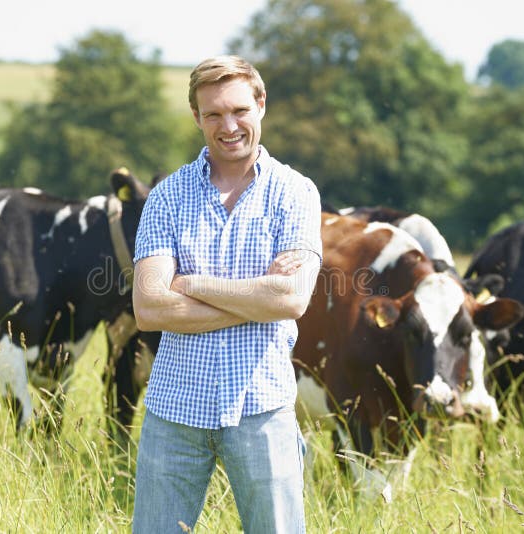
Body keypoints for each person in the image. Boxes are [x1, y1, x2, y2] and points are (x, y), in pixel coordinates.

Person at [131, 55, 322, 533]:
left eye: (239, 110)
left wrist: (192, 284)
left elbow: (291, 300)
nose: (229, 126)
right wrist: (258, 301)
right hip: (174, 411)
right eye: (213, 114)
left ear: (261, 105)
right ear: (196, 117)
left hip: (263, 407)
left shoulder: (295, 193)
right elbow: (149, 307)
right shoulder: (167, 197)